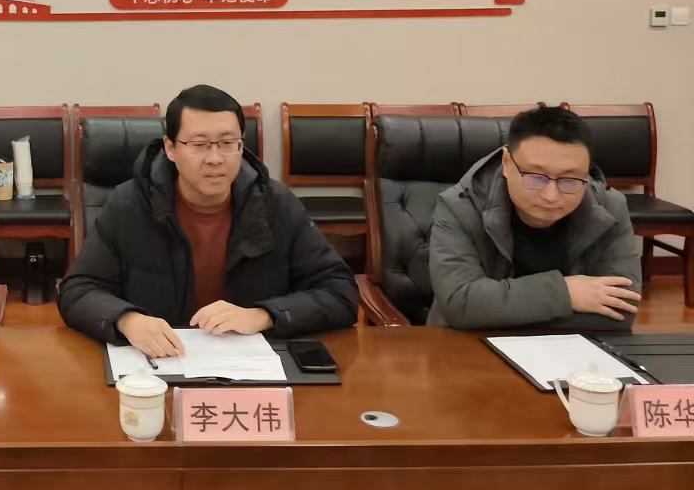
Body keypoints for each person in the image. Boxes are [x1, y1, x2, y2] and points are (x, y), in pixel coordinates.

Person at [58, 85, 358, 356]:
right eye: (199, 144)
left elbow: (340, 293)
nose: (215, 158)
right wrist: (127, 320)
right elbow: (78, 290)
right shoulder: (129, 205)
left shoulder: (275, 204)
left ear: (241, 146)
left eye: (227, 143)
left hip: (249, 368)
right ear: (171, 149)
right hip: (158, 365)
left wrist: (263, 315)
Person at [429, 106, 641, 330]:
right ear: (507, 163)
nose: (551, 196)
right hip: (469, 345)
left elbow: (622, 308)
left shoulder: (610, 207)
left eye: (569, 180)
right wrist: (565, 293)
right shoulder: (460, 205)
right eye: (536, 177)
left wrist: (500, 312)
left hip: (570, 347)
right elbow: (461, 304)